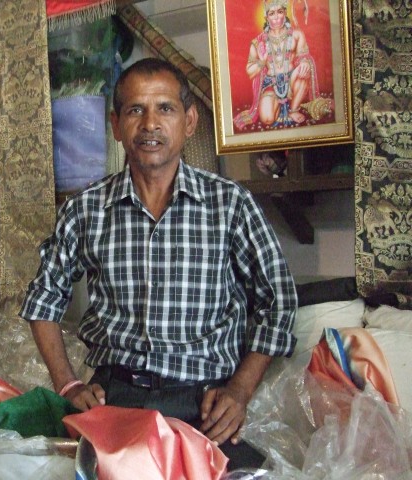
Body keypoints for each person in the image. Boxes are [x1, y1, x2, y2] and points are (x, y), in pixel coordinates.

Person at [19, 57, 297, 470]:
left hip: (205, 403)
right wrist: (68, 384)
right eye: (136, 110)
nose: (150, 124)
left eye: (165, 108)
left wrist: (240, 389)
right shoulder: (85, 209)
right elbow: (42, 300)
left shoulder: (230, 205)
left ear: (189, 121)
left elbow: (279, 303)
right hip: (116, 397)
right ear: (116, 126)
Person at [234, 0, 319, 130]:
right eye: (272, 13)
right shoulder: (258, 42)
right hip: (271, 84)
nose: (276, 17)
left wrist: (305, 63)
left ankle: (293, 109)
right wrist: (262, 62)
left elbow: (304, 56)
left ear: (285, 13)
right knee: (267, 118)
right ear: (266, 17)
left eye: (280, 12)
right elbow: (250, 71)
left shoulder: (296, 35)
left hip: (293, 80)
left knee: (303, 70)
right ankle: (279, 105)